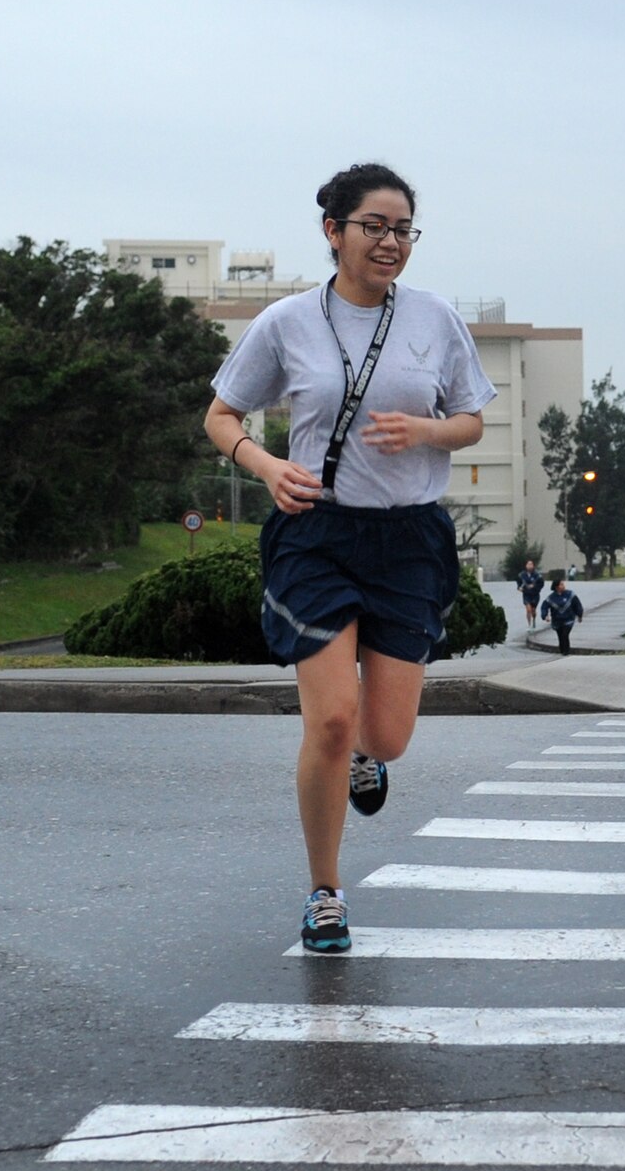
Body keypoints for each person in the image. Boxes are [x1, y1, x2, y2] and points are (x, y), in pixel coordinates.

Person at [204, 162, 496, 954]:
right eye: (374, 225)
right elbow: (222, 412)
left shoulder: (434, 318)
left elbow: (470, 418)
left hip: (407, 538)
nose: (391, 241)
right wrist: (267, 468)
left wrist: (427, 431)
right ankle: (325, 890)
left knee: (387, 734)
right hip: (317, 532)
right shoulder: (288, 322)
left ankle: (369, 758)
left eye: (403, 228)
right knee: (330, 718)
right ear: (333, 231)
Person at [539, 576, 584, 654]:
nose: (563, 586)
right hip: (557, 621)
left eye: (563, 584)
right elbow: (544, 607)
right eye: (561, 584)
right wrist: (545, 615)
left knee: (565, 634)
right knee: (560, 636)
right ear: (557, 587)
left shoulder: (570, 594)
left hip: (568, 619)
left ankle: (566, 651)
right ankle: (562, 650)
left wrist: (580, 614)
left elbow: (577, 605)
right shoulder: (551, 598)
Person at [515, 559, 545, 632]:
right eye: (528, 564)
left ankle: (534, 619)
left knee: (533, 610)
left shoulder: (537, 575)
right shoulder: (522, 575)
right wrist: (519, 588)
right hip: (526, 594)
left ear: (533, 566)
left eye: (531, 564)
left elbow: (541, 584)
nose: (529, 566)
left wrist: (535, 587)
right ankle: (529, 624)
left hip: (535, 594)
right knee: (528, 609)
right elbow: (518, 582)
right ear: (526, 566)